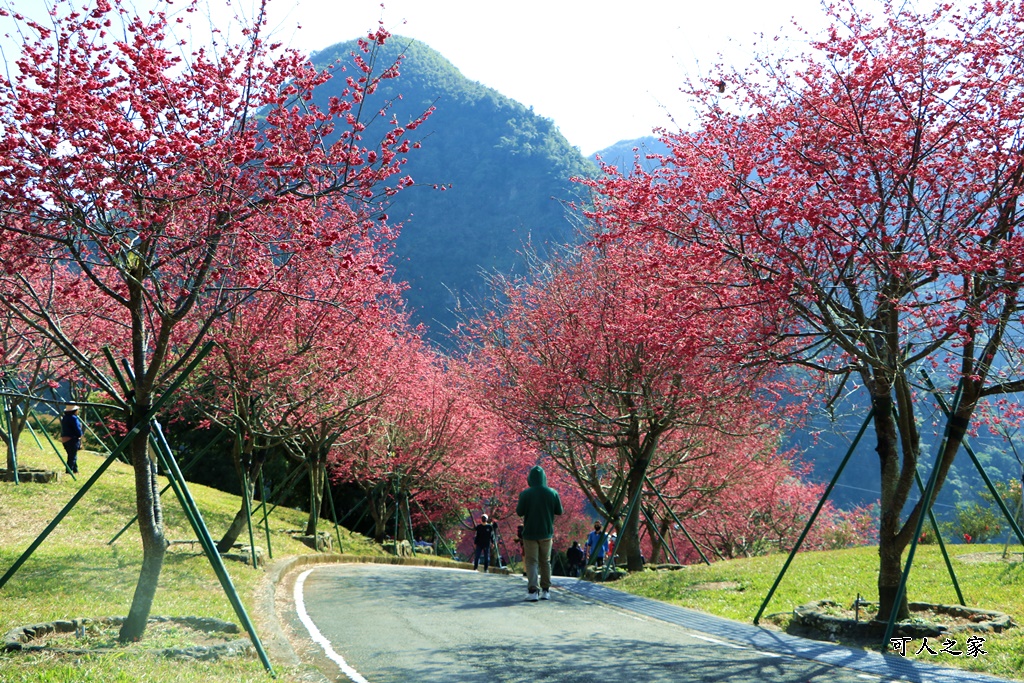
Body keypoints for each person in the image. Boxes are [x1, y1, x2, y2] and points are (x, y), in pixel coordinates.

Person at [515, 465, 563, 601]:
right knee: (545, 562)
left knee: (532, 562)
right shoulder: (552, 493)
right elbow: (559, 511)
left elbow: (519, 512)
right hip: (546, 533)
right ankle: (546, 590)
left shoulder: (525, 494)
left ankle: (533, 591)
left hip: (530, 533)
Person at [60, 403, 84, 474]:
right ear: (75, 410)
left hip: (64, 439)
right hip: (72, 439)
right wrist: (80, 435)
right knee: (72, 456)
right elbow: (77, 428)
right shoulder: (74, 418)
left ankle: (75, 470)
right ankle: (69, 471)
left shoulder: (64, 418)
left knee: (71, 455)